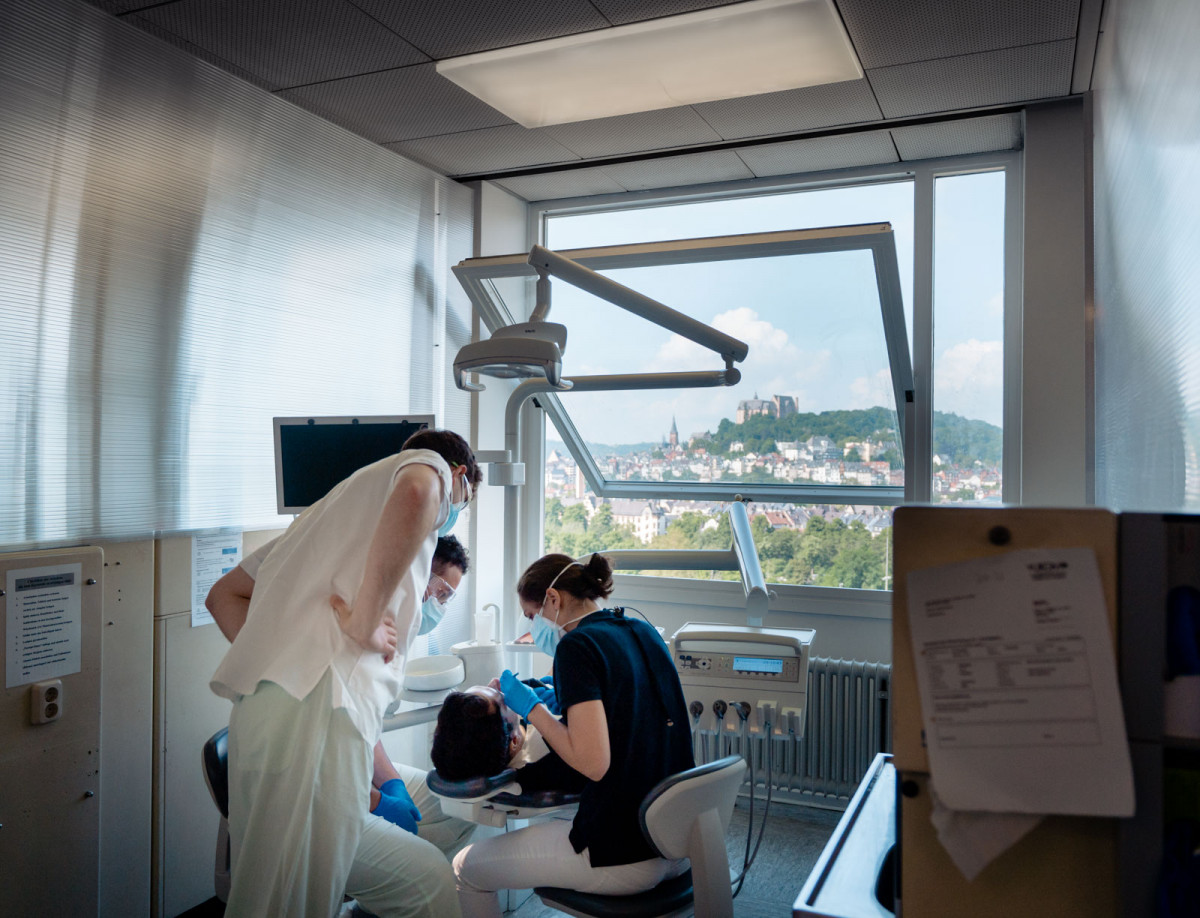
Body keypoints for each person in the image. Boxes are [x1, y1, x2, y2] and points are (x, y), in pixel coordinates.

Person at [209, 428, 480, 918]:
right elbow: (419, 490)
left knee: (275, 895)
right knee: (294, 900)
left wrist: (286, 657)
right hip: (311, 721)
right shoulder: (432, 470)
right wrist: (362, 622)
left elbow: (223, 595)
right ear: (461, 476)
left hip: (270, 714)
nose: (457, 509)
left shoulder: (323, 516)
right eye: (466, 498)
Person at [451, 552, 695, 918]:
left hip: (623, 854)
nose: (534, 627)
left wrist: (533, 707)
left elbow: (593, 764)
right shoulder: (641, 630)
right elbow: (626, 714)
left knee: (467, 868)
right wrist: (557, 697)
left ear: (553, 598)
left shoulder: (576, 647)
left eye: (533, 615)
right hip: (677, 843)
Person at [206, 534, 477, 856]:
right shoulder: (344, 627)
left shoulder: (387, 626)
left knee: (458, 810)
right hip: (308, 783)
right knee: (428, 881)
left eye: (447, 599)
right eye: (440, 593)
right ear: (418, 573)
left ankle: (388, 888)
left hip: (346, 766)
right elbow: (316, 746)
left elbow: (358, 724)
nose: (439, 605)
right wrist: (376, 801)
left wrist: (392, 784)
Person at [430, 682, 583, 790]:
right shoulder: (551, 760)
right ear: (514, 740)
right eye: (501, 699)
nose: (496, 682)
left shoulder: (500, 732)